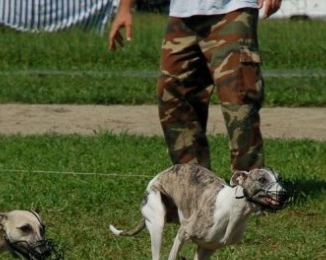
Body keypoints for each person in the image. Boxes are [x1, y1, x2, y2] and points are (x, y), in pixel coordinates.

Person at [108, 0, 282, 172]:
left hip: (232, 9)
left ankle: (250, 186)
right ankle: (193, 183)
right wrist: (125, 8)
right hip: (182, 13)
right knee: (173, 93)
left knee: (238, 94)